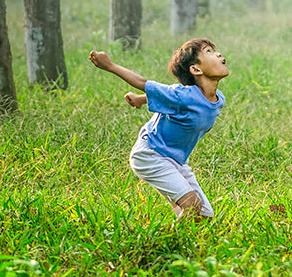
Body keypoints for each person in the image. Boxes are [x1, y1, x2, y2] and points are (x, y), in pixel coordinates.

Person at [89, 38, 228, 219]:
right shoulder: (182, 95)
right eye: (209, 52)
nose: (218, 54)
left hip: (175, 161)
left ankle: (181, 229)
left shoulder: (218, 99)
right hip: (150, 155)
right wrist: (109, 65)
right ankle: (164, 243)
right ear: (196, 69)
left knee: (204, 216)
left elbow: (169, 99)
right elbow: (143, 82)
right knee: (192, 206)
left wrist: (140, 99)